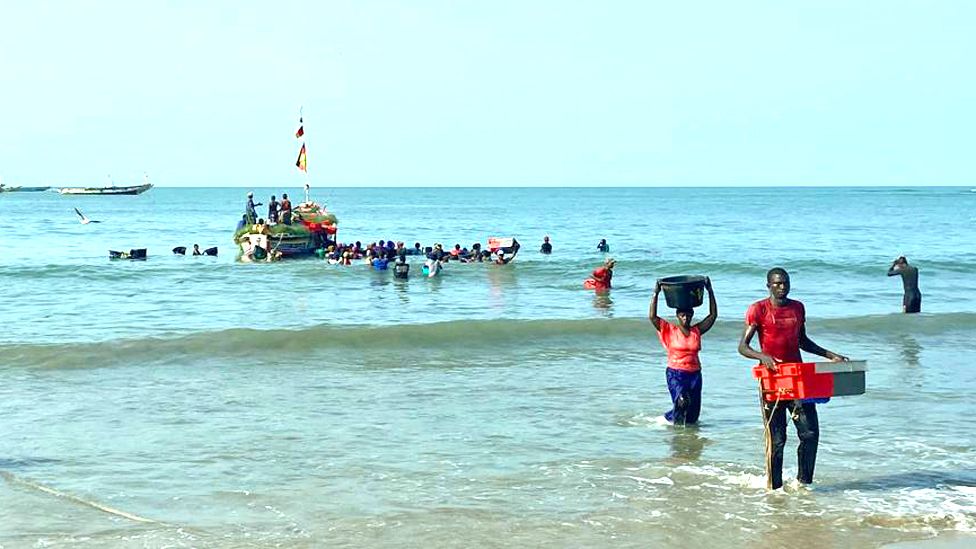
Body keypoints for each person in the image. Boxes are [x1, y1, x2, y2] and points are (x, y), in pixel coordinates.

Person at [738, 267, 848, 490]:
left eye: (785, 283)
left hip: (798, 378)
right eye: (777, 283)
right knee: (778, 440)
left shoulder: (797, 308)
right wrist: (763, 357)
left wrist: (831, 355)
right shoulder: (758, 310)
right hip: (771, 380)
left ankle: (804, 484)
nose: (782, 287)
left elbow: (803, 341)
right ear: (768, 286)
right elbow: (743, 346)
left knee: (810, 433)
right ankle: (774, 489)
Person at [649, 277, 717, 425]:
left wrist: (710, 291)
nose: (685, 318)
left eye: (688, 315)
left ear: (692, 316)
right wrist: (656, 293)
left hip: (695, 374)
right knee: (682, 400)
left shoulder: (696, 331)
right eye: (682, 315)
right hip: (676, 373)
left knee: (693, 415)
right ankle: (678, 435)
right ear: (677, 316)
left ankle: (678, 427)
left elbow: (712, 316)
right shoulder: (669, 330)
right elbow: (652, 317)